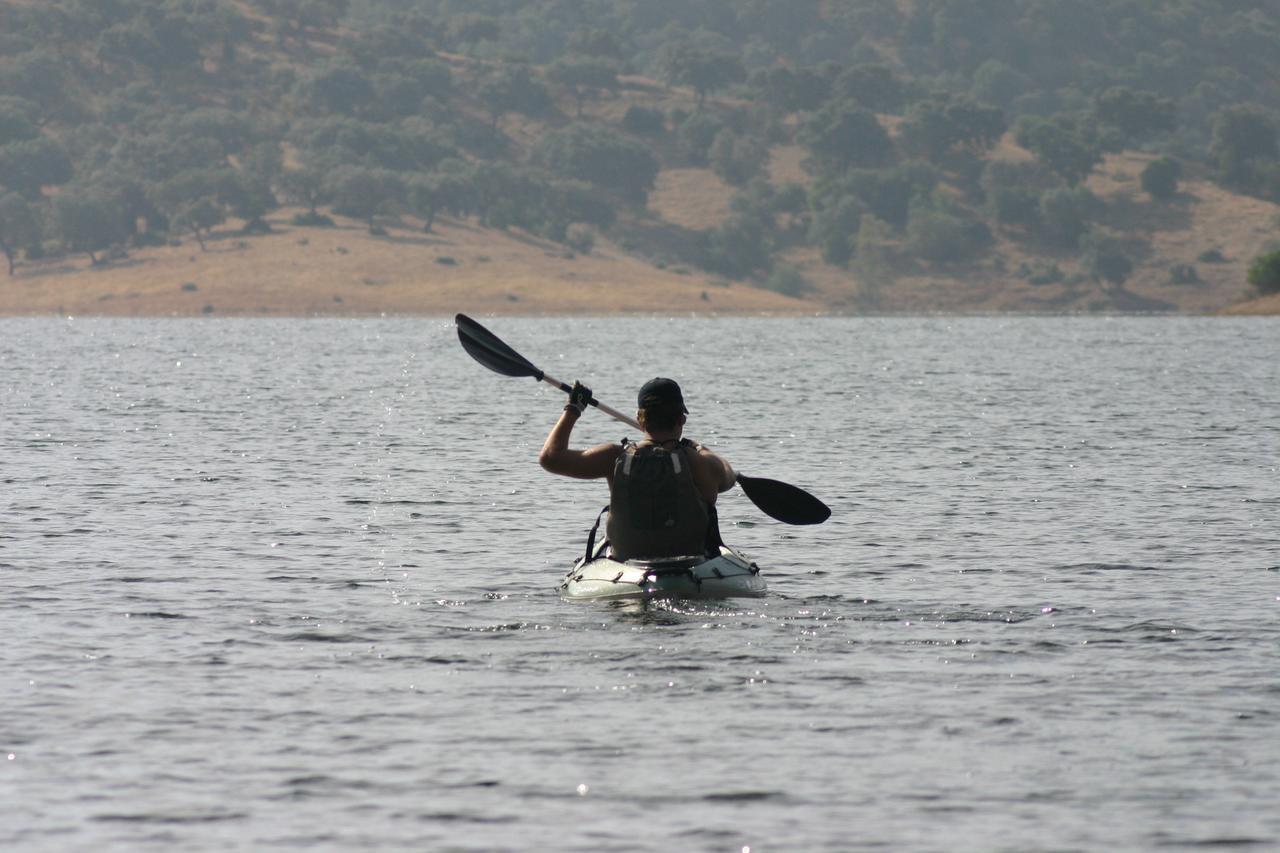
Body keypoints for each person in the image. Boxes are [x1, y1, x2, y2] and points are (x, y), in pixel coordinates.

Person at [538, 377, 737, 560]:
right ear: (681, 419)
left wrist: (573, 408)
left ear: (640, 419)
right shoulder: (698, 462)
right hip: (691, 564)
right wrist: (700, 448)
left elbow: (550, 458)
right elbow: (729, 475)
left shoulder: (613, 458)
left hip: (630, 566)